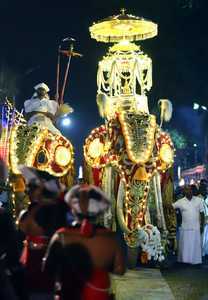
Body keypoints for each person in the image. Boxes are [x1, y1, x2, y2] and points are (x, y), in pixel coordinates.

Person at [43, 184, 126, 300]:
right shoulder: (111, 238)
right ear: (99, 212)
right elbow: (120, 270)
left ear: (73, 210)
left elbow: (47, 269)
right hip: (99, 294)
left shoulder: (61, 235)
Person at [172, 185, 204, 265]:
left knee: (195, 246)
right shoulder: (180, 201)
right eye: (186, 190)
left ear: (192, 191)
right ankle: (184, 261)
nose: (188, 191)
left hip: (196, 228)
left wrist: (202, 226)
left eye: (189, 190)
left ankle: (195, 262)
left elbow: (202, 213)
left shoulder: (199, 200)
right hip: (185, 228)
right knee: (185, 246)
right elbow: (171, 207)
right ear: (184, 192)